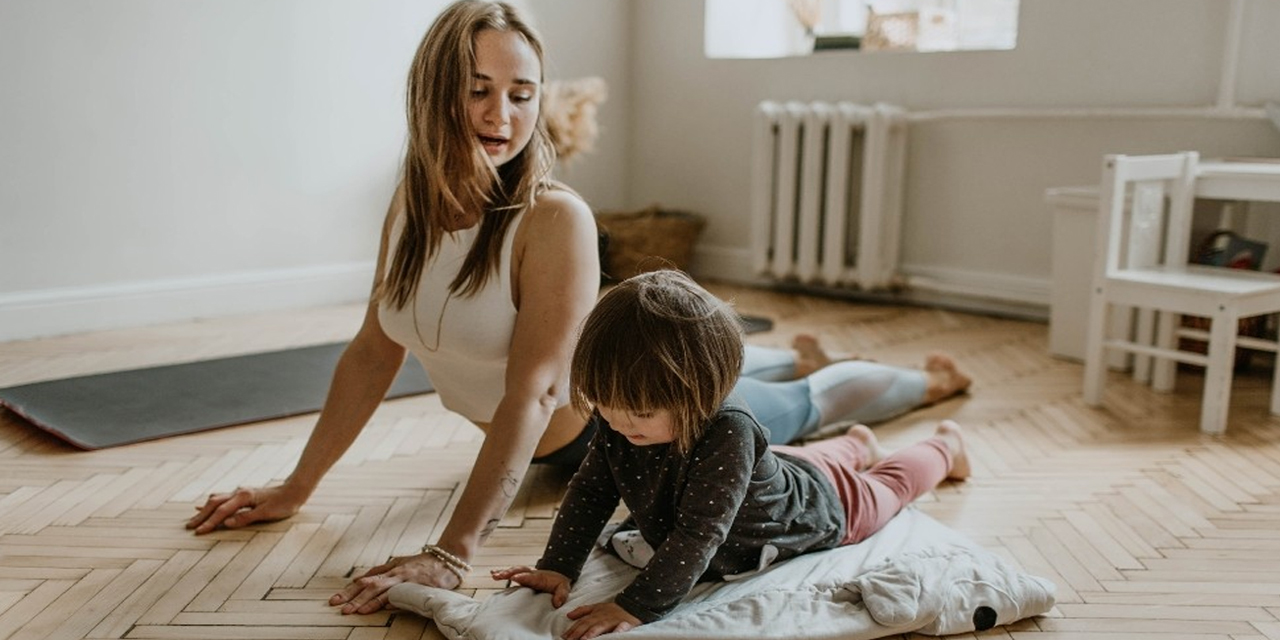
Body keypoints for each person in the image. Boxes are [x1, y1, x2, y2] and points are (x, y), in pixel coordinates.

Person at [184, 0, 969, 615]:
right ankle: (788, 359)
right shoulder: (410, 209)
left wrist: (455, 551)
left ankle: (924, 389)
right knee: (770, 389)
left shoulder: (552, 218)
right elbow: (370, 353)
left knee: (794, 408)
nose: (502, 115)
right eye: (479, 89)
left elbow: (535, 393)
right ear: (433, 91)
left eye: (522, 95)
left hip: (624, 429)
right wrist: (295, 489)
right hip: (597, 411)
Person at [492, 270, 971, 639]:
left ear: (699, 392)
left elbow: (700, 533)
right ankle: (857, 442)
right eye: (605, 406)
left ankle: (945, 447)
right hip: (780, 469)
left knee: (888, 485)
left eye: (637, 411)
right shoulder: (623, 420)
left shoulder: (729, 431)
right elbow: (593, 490)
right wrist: (559, 563)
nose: (617, 422)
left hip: (820, 507)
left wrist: (636, 606)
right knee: (803, 462)